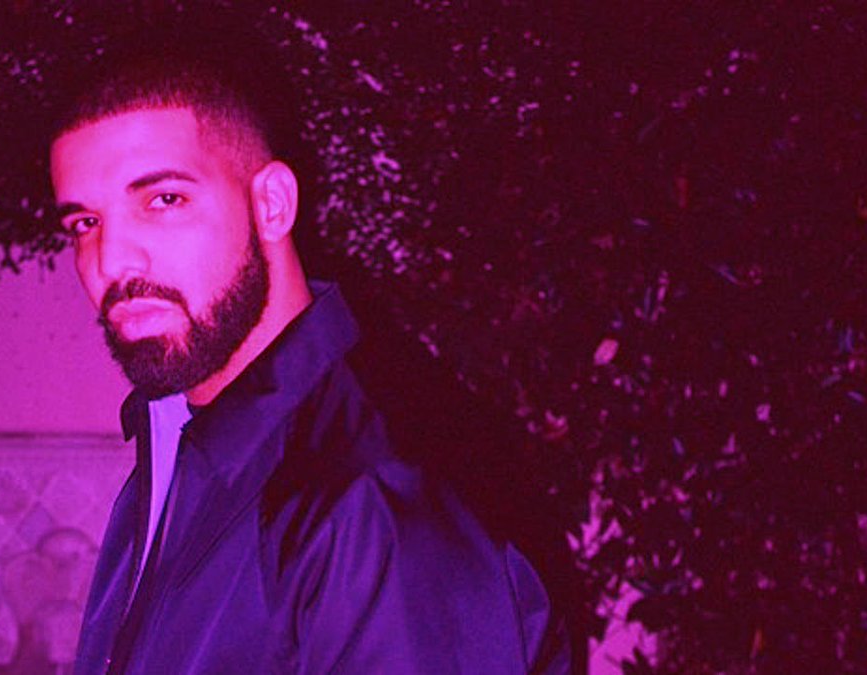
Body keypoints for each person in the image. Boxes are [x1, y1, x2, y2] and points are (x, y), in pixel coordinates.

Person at [48, 17, 570, 675]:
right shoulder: (191, 443)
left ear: (272, 204)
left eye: (164, 199)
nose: (111, 260)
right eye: (85, 222)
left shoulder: (373, 497)